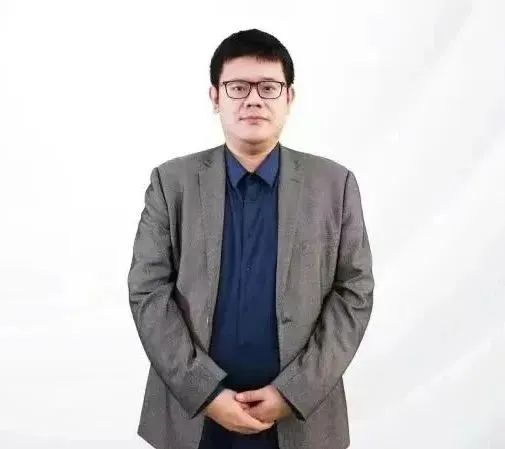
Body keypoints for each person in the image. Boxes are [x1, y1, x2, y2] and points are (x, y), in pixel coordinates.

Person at [127, 28, 374, 449]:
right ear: (215, 97)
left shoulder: (334, 185)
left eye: (269, 87)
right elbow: (147, 291)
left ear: (289, 98)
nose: (254, 100)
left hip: (301, 421)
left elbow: (355, 292)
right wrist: (205, 392)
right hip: (192, 418)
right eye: (238, 87)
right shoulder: (172, 184)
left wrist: (292, 393)